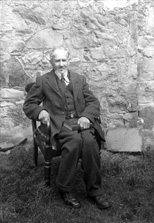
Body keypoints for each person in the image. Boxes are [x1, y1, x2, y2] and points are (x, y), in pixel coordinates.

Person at [23, 46, 110, 210]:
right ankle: (66, 188)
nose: (61, 64)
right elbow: (29, 105)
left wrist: (86, 116)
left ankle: (95, 190)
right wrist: (40, 111)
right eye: (57, 60)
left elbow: (93, 102)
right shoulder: (43, 81)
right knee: (73, 141)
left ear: (68, 61)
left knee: (90, 143)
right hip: (60, 123)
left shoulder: (79, 79)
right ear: (51, 62)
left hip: (81, 121)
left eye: (64, 60)